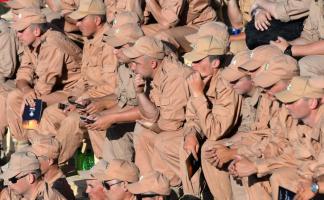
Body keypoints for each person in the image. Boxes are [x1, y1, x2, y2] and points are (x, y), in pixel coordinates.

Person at [35, 0, 117, 163]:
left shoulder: (110, 43)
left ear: (97, 21)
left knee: (71, 120)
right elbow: (84, 79)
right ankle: (37, 153)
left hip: (104, 101)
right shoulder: (90, 40)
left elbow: (111, 87)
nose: (77, 24)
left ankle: (51, 163)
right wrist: (72, 99)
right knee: (50, 113)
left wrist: (81, 99)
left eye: (81, 20)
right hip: (81, 97)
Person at [121, 35, 194, 195]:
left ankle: (170, 189)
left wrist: (152, 125)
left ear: (153, 63)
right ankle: (149, 187)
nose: (132, 67)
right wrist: (140, 93)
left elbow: (169, 126)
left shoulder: (175, 77)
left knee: (162, 140)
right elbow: (151, 115)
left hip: (192, 132)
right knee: (143, 134)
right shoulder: (154, 75)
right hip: (174, 129)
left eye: (136, 63)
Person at [7, 8, 82, 144]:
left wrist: (31, 96)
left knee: (33, 104)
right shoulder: (31, 41)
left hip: (73, 90)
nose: (18, 34)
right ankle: (23, 145)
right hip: (53, 88)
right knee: (14, 97)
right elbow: (23, 73)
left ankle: (37, 147)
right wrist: (27, 90)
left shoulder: (52, 43)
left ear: (36, 31)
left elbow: (45, 85)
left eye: (21, 31)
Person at [270, 0, 324, 76]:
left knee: (305, 65)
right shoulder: (317, 2)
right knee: (274, 54)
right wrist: (283, 47)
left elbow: (279, 11)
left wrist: (291, 50)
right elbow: (309, 36)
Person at [0, 152, 66, 199]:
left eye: (12, 180)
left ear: (30, 178)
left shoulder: (48, 197)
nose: (8, 185)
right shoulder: (24, 194)